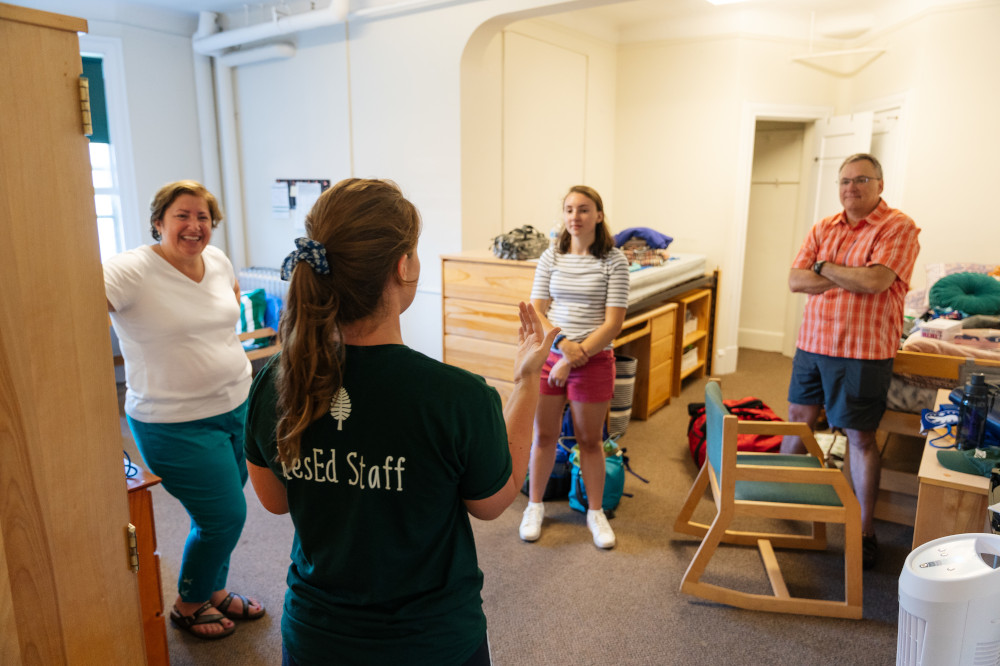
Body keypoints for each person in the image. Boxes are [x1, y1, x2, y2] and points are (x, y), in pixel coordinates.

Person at [243, 178, 556, 666]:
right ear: (403, 266)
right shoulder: (458, 396)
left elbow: (275, 501)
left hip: (316, 640)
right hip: (433, 645)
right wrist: (528, 381)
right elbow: (494, 501)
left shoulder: (276, 382)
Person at [104, 180, 264, 640]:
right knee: (224, 516)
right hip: (173, 422)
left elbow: (229, 301)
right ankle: (189, 603)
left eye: (203, 218)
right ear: (158, 222)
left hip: (236, 407)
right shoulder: (130, 270)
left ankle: (214, 590)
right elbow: (71, 310)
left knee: (217, 511)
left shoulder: (215, 260)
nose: (195, 226)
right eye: (183, 215)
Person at [780, 153, 920, 569]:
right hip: (813, 343)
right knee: (797, 417)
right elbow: (795, 280)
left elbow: (877, 281)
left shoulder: (899, 227)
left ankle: (865, 531)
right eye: (844, 181)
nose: (850, 188)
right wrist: (845, 272)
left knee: (859, 437)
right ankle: (777, 489)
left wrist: (822, 267)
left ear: (879, 184)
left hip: (863, 350)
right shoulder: (823, 226)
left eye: (861, 180)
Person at [518, 185, 630, 549]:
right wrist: (563, 348)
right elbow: (538, 309)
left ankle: (595, 512)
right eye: (569, 210)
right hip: (554, 354)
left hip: (594, 360)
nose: (575, 217)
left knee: (590, 441)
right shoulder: (552, 256)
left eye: (583, 210)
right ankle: (534, 506)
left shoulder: (614, 261)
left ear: (599, 215)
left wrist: (573, 357)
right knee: (544, 436)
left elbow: (613, 323)